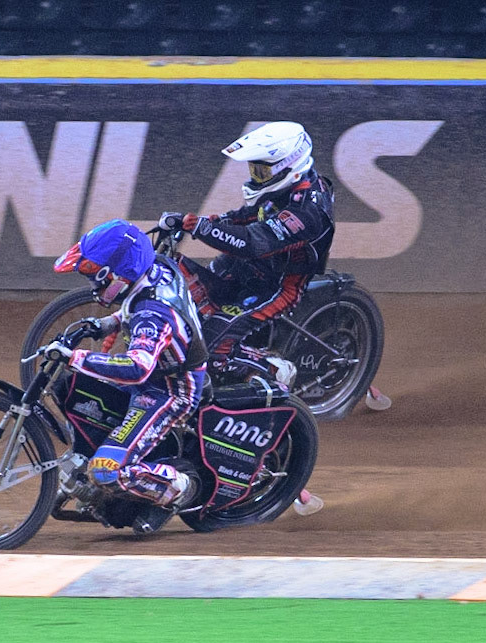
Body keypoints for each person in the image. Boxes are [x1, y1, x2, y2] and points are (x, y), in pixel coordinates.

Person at [48, 218, 208, 534]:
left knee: (105, 472)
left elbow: (137, 368)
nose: (92, 285)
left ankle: (178, 488)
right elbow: (133, 306)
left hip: (167, 392)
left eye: (95, 277)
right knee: (72, 389)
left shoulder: (152, 316)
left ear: (118, 273)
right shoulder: (155, 271)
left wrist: (77, 358)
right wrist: (106, 324)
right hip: (164, 372)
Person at [159, 121, 335, 386]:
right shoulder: (283, 189)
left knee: (209, 349)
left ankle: (275, 369)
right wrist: (200, 222)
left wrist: (202, 228)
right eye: (254, 169)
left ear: (289, 166)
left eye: (262, 171)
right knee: (182, 295)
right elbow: (248, 216)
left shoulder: (308, 212)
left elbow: (255, 241)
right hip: (243, 266)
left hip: (276, 286)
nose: (255, 176)